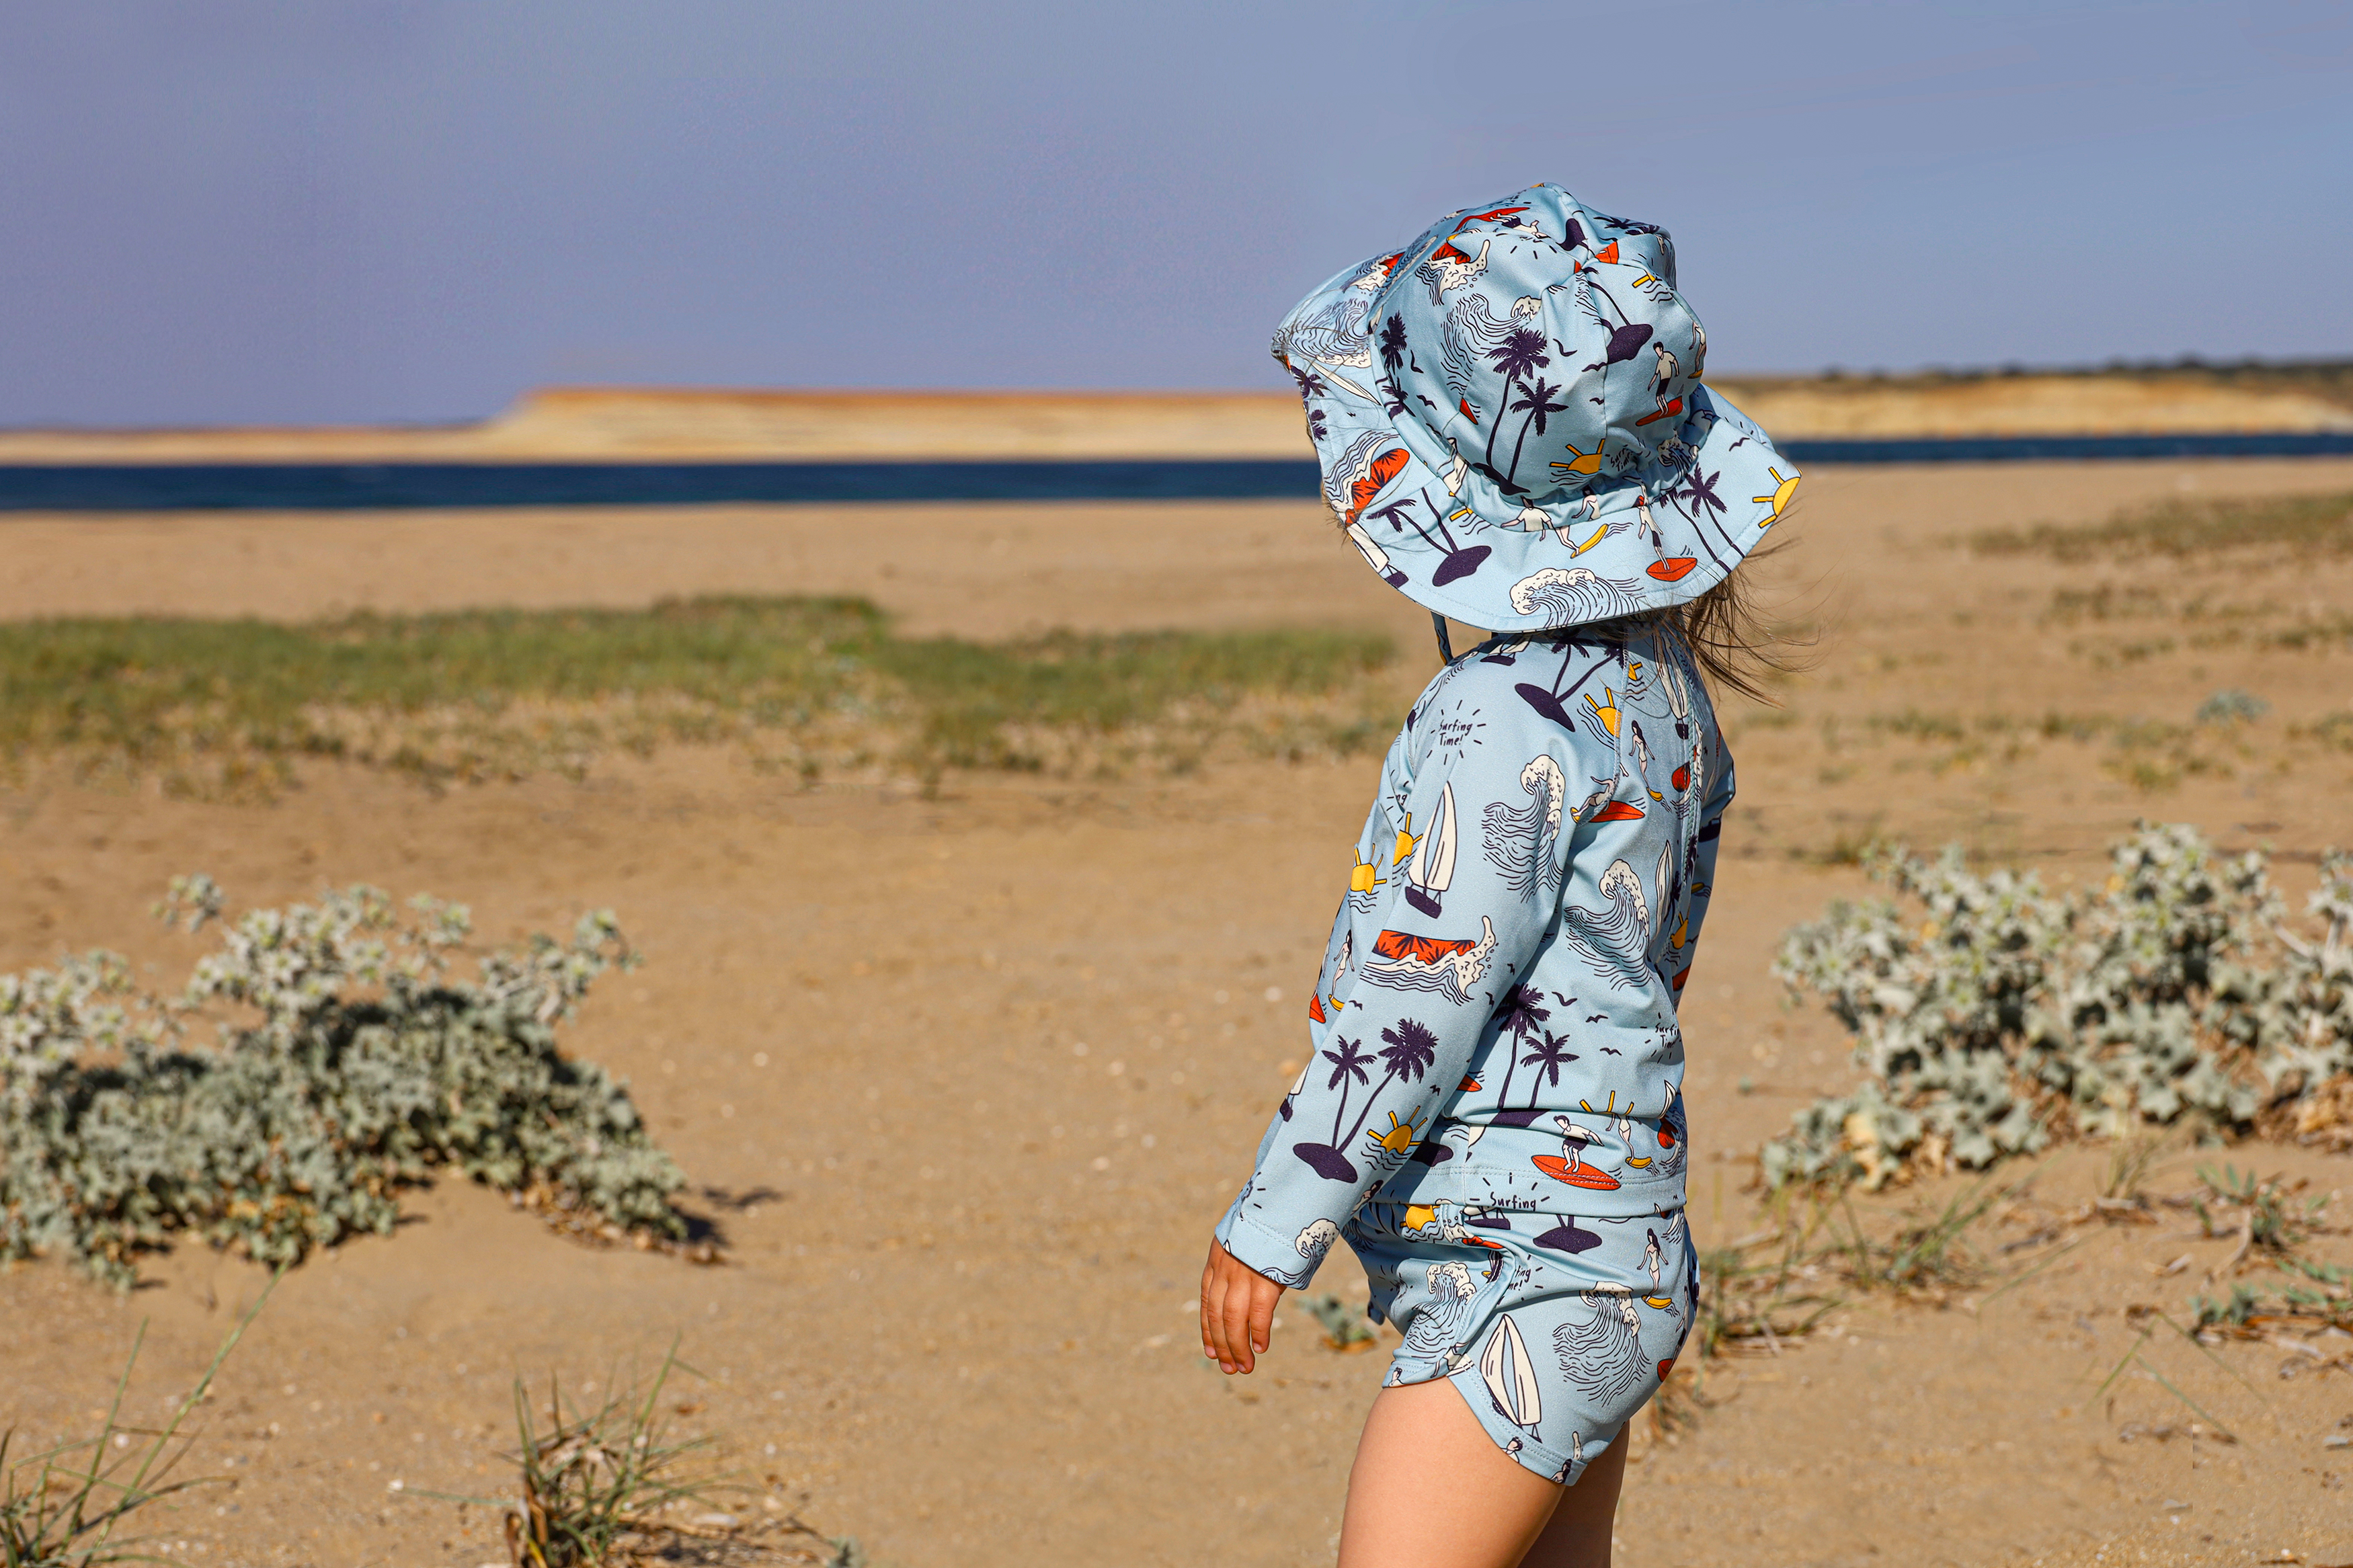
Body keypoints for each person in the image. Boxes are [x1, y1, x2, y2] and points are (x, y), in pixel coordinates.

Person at [1198, 183, 1802, 1568]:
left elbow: (1416, 993)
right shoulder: (1660, 700)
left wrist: (1274, 1220)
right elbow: (1655, 949)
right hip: (1623, 1244)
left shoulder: (1494, 715)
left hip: (1520, 1281)